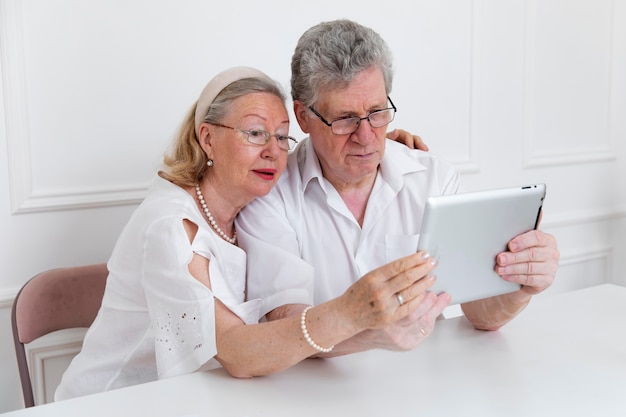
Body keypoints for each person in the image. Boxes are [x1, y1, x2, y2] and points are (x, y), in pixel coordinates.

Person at [55, 66, 440, 400]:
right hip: (113, 404)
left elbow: (322, 146)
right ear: (207, 139)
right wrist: (351, 314)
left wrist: (370, 144)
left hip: (197, 398)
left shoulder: (244, 208)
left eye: (281, 137)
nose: (273, 151)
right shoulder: (169, 227)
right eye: (255, 133)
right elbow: (237, 353)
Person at [236, 19, 560, 355]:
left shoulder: (433, 178)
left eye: (377, 112)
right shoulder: (270, 193)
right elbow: (284, 323)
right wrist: (369, 332)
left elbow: (481, 316)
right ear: (303, 117)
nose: (365, 137)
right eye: (345, 119)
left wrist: (521, 284)